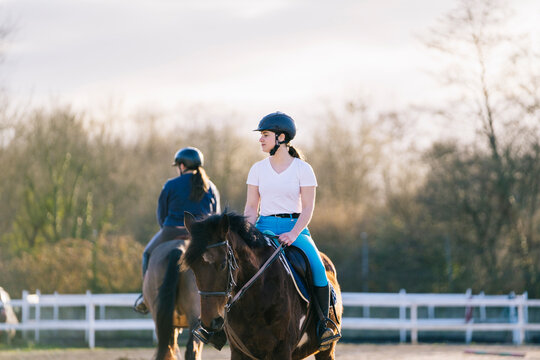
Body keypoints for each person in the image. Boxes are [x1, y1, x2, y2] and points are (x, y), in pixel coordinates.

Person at [243, 111, 340, 350]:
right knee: (236, 265)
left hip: (295, 228)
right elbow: (251, 207)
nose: (260, 140)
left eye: (265, 135)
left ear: (281, 138)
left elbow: (308, 208)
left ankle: (325, 324)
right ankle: (225, 323)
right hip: (263, 227)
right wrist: (246, 234)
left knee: (318, 268)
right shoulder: (257, 169)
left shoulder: (303, 169)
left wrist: (294, 234)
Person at [134, 146, 220, 314]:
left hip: (172, 231)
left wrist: (167, 230)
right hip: (201, 237)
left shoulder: (171, 185)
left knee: (147, 254)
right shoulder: (211, 187)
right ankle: (223, 296)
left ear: (181, 166)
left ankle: (145, 298)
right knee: (220, 260)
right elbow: (215, 215)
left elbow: (161, 214)